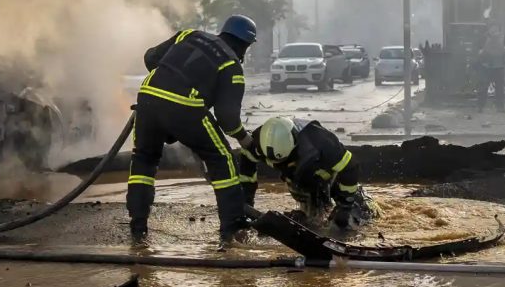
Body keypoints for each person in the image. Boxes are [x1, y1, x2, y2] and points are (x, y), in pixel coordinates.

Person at [128, 15, 257, 245]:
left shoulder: (189, 34)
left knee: (144, 160)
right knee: (223, 159)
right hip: (186, 107)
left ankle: (138, 228)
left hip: (147, 99)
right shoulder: (231, 65)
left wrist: (168, 78)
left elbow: (151, 57)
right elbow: (228, 119)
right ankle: (233, 230)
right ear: (245, 44)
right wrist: (245, 139)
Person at [239, 116, 377, 230]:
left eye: (285, 160)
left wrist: (345, 207)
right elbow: (247, 165)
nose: (279, 164)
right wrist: (247, 200)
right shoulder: (259, 142)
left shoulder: (322, 143)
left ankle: (362, 207)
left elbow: (350, 167)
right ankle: (308, 217)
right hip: (299, 180)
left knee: (349, 222)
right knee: (310, 222)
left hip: (330, 177)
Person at [477, 23, 505, 113]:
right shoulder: (484, 37)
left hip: (499, 65)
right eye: (492, 28)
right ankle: (481, 106)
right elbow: (478, 48)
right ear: (489, 29)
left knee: (499, 88)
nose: (494, 30)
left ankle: (500, 106)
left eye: (496, 28)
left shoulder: (503, 37)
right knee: (483, 87)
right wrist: (480, 51)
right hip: (486, 65)